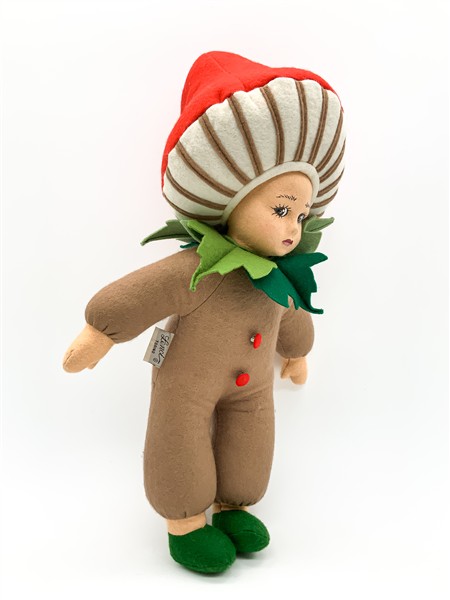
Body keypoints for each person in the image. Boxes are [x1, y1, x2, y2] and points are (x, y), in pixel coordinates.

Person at [63, 51, 346, 574]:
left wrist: (297, 353)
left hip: (252, 385)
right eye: (281, 209)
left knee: (253, 432)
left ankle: (234, 506)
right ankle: (187, 522)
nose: (293, 227)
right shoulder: (199, 268)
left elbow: (291, 313)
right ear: (231, 202)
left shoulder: (279, 275)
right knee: (179, 434)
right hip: (186, 381)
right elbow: (142, 293)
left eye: (301, 215)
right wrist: (100, 331)